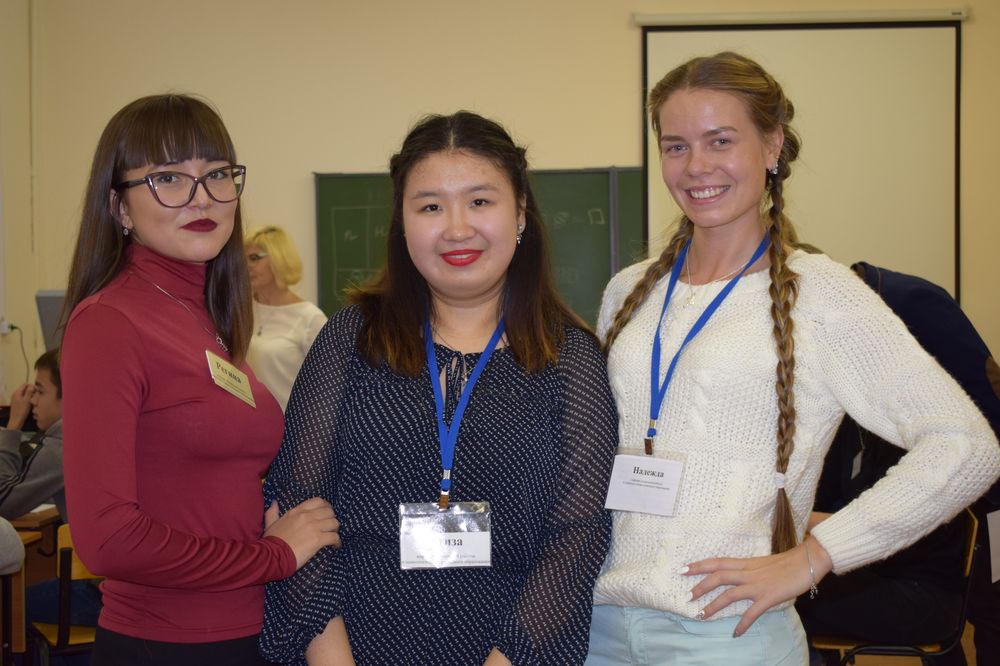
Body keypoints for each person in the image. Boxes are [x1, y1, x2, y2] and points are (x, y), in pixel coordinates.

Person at [587, 52, 1000, 665]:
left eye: (720, 140)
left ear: (772, 145)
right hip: (599, 627)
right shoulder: (630, 290)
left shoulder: (822, 295)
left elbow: (967, 445)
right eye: (676, 146)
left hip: (728, 634)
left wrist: (816, 556)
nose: (696, 166)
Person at [260, 111, 618, 665]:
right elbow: (297, 506)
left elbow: (577, 537)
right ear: (402, 222)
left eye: (480, 201)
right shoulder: (352, 339)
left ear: (521, 213)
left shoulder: (569, 359)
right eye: (430, 206)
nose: (456, 228)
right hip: (347, 647)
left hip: (509, 649)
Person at [59, 93, 339, 666]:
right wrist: (273, 556)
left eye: (216, 174)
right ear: (119, 206)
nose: (201, 196)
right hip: (166, 644)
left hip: (252, 630)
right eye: (167, 178)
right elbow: (107, 540)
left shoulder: (206, 320)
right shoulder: (109, 322)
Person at [796, 261, 1000, 666]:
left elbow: (978, 436)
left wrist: (801, 523)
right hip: (903, 564)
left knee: (992, 610)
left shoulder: (907, 307)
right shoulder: (857, 421)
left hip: (932, 556)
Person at [245, 225, 327, 410]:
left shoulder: (310, 319)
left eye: (254, 258)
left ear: (279, 260)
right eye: (242, 259)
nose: (246, 266)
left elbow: (326, 389)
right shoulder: (240, 310)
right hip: (246, 420)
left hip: (287, 422)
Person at [0, 350, 67, 519]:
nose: (32, 400)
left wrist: (14, 424)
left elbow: (2, 504)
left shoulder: (62, 445)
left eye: (40, 391)